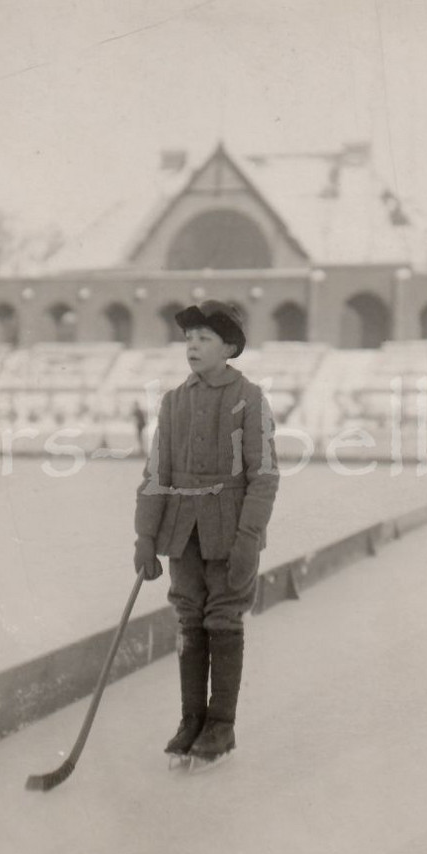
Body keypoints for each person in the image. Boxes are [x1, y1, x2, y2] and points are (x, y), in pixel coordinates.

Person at [133, 300, 279, 762]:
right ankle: (191, 719)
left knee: (223, 618)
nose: (193, 346)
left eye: (205, 339)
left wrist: (249, 540)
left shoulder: (249, 397)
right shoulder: (174, 401)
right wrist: (145, 537)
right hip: (182, 534)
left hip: (231, 531)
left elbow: (265, 475)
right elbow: (157, 473)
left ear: (229, 347)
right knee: (189, 619)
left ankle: (221, 725)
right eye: (189, 338)